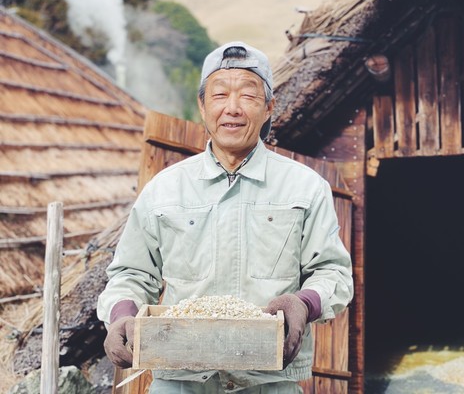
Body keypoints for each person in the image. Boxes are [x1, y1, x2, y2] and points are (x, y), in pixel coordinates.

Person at [97, 41, 354, 393]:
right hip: (181, 378)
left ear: (268, 109)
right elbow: (131, 273)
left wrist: (303, 304)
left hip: (268, 381)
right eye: (220, 95)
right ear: (202, 106)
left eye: (248, 96)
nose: (232, 109)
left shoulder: (305, 188)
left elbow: (333, 272)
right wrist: (122, 314)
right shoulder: (165, 190)